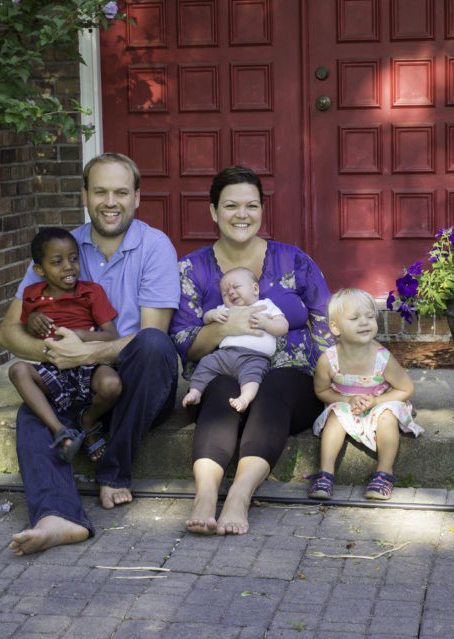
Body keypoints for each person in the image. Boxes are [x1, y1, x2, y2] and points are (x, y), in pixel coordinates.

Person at [0, 153, 180, 555]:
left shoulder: (155, 247)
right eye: (100, 191)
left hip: (137, 386)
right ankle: (56, 518)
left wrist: (83, 355)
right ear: (84, 195)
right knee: (32, 411)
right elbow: (9, 331)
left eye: (120, 192)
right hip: (73, 382)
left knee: (152, 345)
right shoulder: (59, 247)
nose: (110, 201)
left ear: (137, 196)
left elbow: (151, 337)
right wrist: (52, 353)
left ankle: (114, 470)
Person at [170, 165, 332, 536]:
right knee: (223, 390)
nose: (242, 214)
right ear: (213, 212)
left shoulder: (294, 261)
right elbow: (184, 343)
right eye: (230, 206)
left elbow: (326, 326)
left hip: (291, 382)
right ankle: (205, 497)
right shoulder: (190, 269)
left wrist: (339, 384)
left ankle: (240, 496)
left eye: (252, 205)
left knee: (274, 387)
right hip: (224, 376)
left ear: (262, 210)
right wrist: (228, 326)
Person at [7, 227, 122, 463]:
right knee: (17, 370)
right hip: (53, 368)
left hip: (89, 364)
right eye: (57, 262)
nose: (68, 266)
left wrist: (80, 336)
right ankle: (59, 429)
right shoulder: (31, 295)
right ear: (39, 269)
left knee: (112, 385)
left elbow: (112, 335)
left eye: (73, 258)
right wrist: (31, 321)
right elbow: (27, 329)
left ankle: (88, 421)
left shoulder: (91, 292)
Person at [307, 288, 423, 501]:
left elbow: (406, 389)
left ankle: (384, 473)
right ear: (335, 327)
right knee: (335, 417)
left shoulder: (382, 358)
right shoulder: (329, 359)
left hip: (380, 402)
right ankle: (325, 474)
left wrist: (377, 401)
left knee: (387, 415)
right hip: (347, 403)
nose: (364, 322)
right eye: (354, 318)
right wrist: (346, 400)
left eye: (370, 317)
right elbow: (321, 390)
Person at [181, 267, 288, 412]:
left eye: (236, 287)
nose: (230, 292)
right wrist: (212, 315)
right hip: (225, 355)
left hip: (254, 357)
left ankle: (245, 398)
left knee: (253, 377)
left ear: (255, 289)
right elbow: (206, 319)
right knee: (206, 363)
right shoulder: (225, 309)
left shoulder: (266, 306)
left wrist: (266, 323)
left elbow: (283, 326)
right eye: (225, 293)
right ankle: (195, 391)